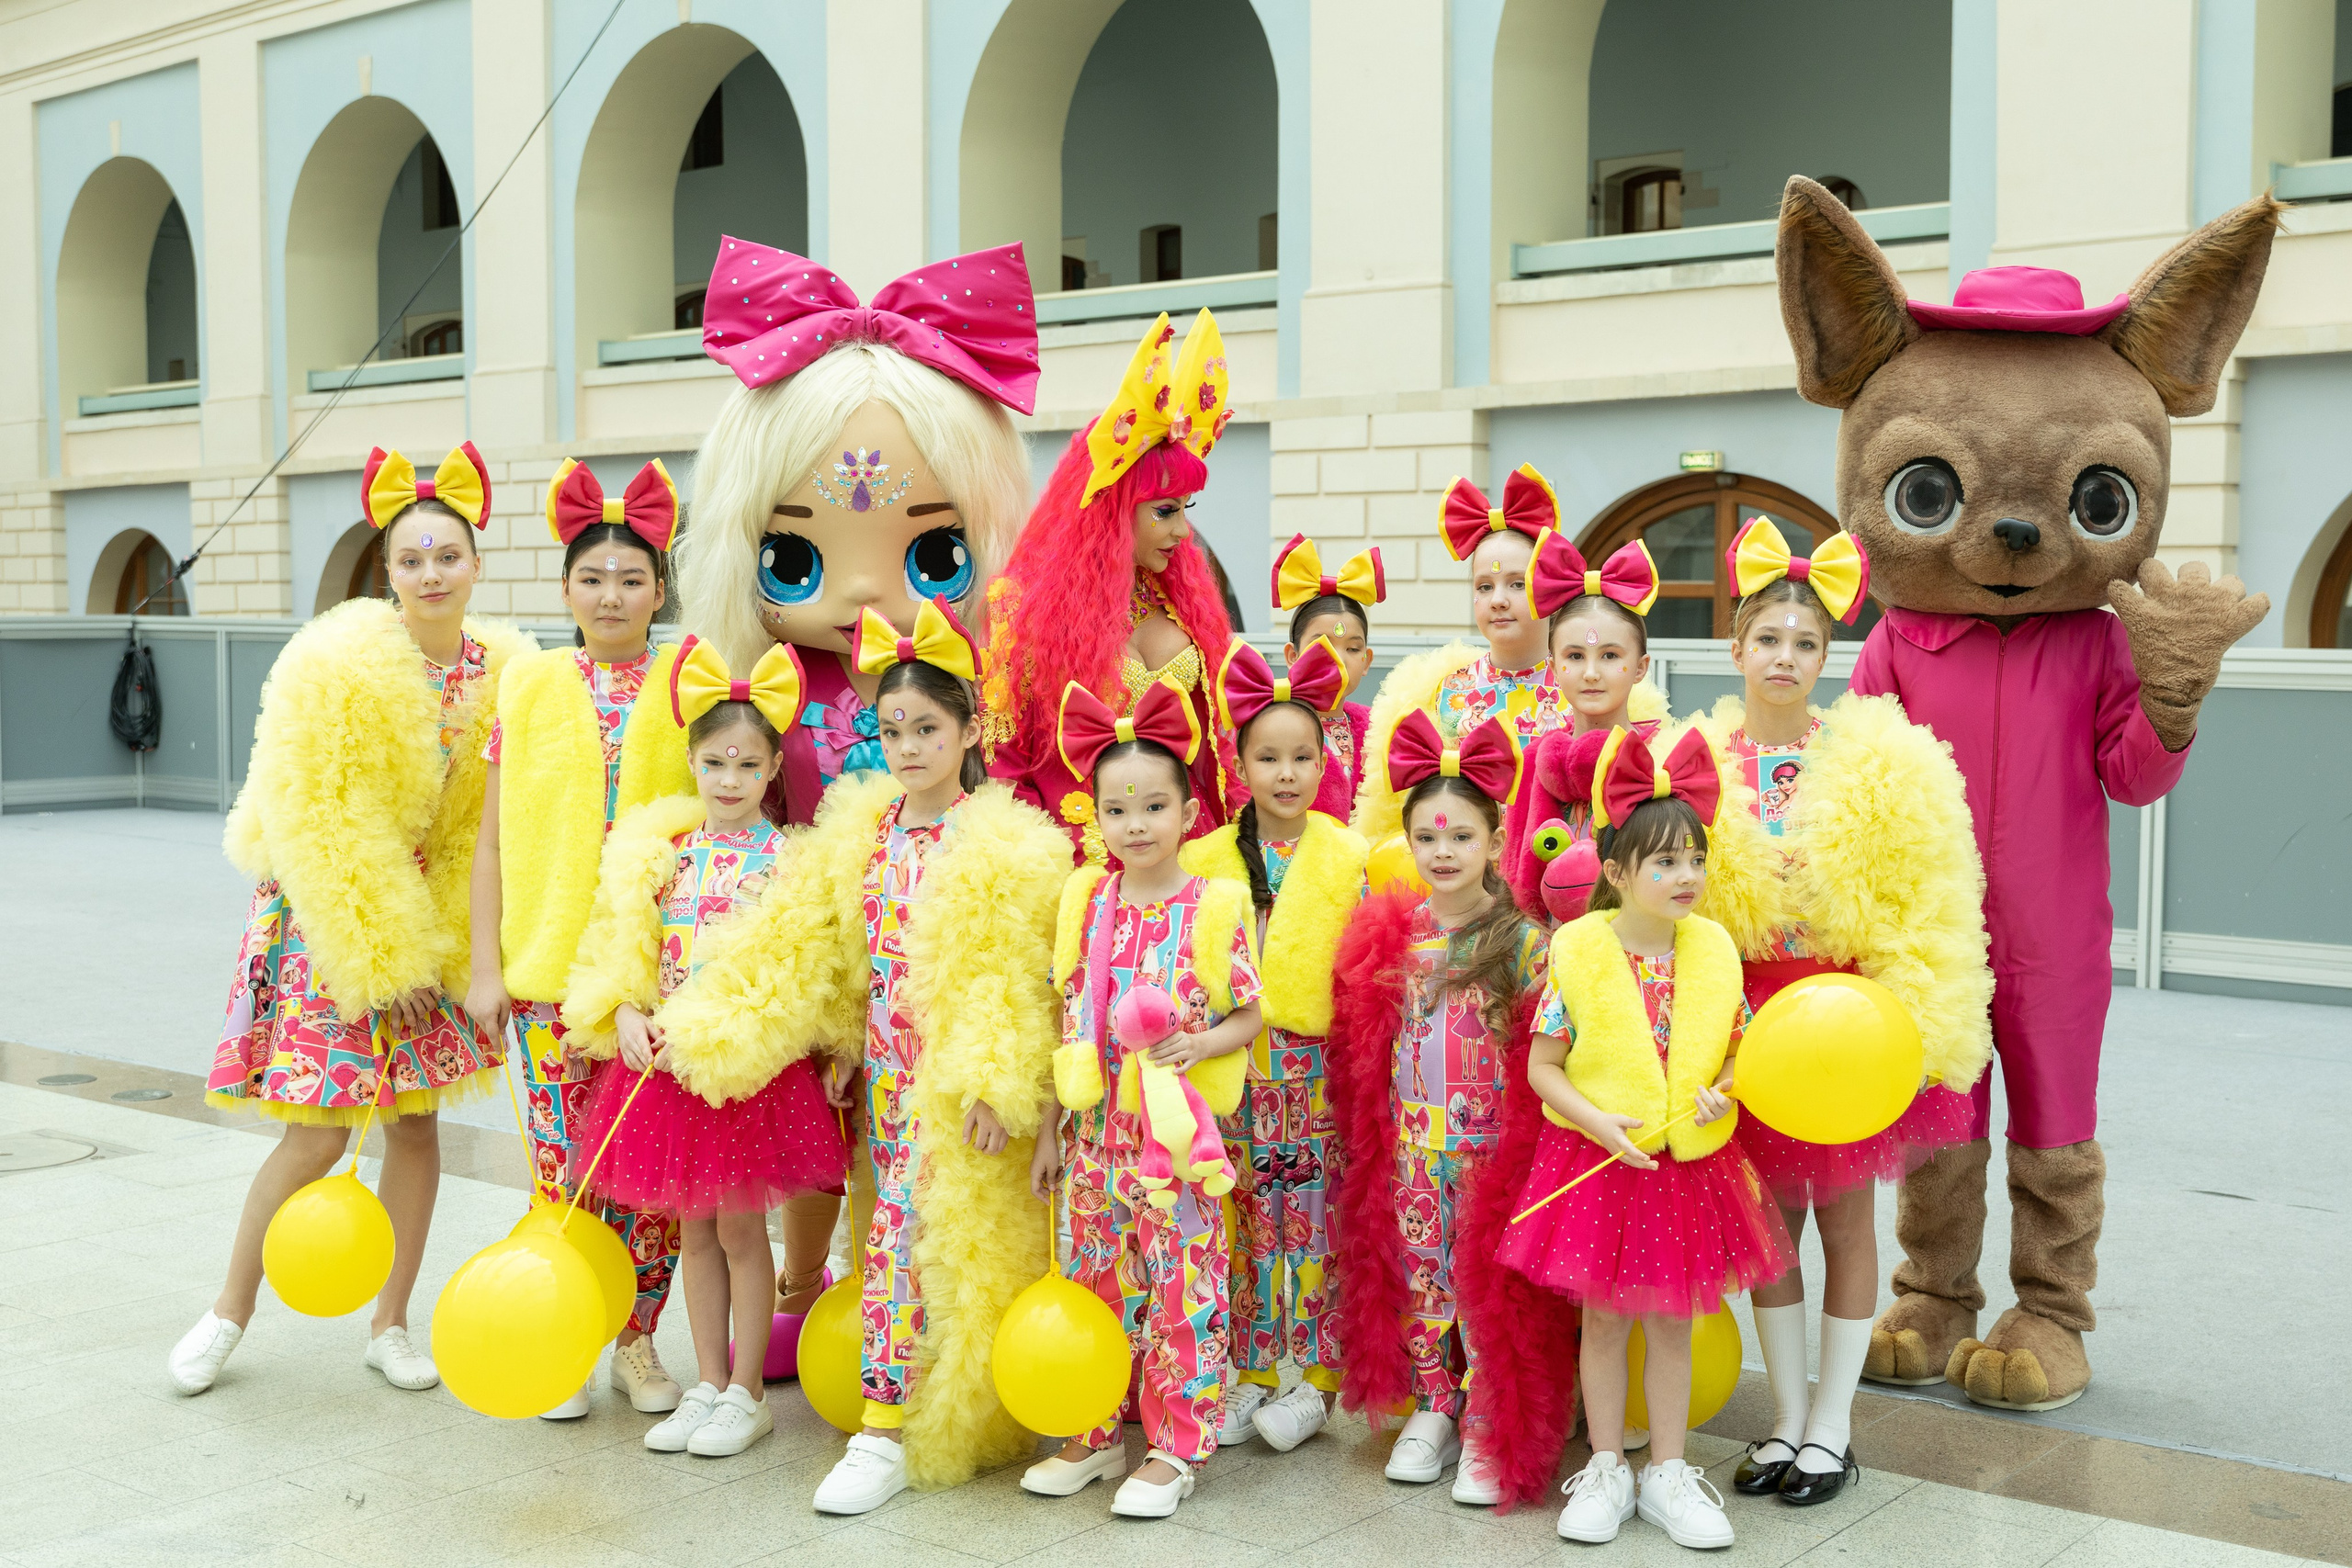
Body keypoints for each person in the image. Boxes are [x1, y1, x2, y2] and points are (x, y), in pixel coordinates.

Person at [670, 235, 1039, 1327]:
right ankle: (798, 1283)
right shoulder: (759, 684)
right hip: (797, 936)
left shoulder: (960, 686)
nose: (867, 589)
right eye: (796, 559)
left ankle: (901, 1300)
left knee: (904, 1132)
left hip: (919, 944)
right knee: (806, 1133)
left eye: (933, 559)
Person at [175, 444, 534, 1396]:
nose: (430, 574)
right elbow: (320, 818)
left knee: (415, 1130)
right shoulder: (332, 659)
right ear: (387, 572)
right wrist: (383, 957)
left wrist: (457, 947)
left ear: (476, 563)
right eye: (411, 559)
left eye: (447, 556)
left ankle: (390, 1323)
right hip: (336, 920)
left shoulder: (508, 670)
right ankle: (227, 1312)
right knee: (318, 1135)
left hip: (435, 914)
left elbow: (495, 824)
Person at [1679, 517, 1991, 1505]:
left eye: (1804, 643)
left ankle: (1833, 1426)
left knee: (1848, 1219)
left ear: (1829, 657)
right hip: (1741, 1021)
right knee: (1767, 1227)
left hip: (1844, 1022)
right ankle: (1781, 1419)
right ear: (1735, 648)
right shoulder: (1693, 759)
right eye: (1767, 638)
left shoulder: (1869, 761)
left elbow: (1920, 895)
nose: (1784, 657)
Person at [1496, 728, 1793, 1549]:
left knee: (1670, 1321)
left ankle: (1667, 1470)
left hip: (1683, 1168)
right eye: (1663, 863)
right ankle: (1604, 1465)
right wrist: (1595, 1121)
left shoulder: (1715, 951)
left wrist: (1724, 1087)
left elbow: (1748, 1051)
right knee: (1602, 1321)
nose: (1685, 877)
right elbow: (1544, 1065)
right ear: (1618, 872)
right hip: (1598, 1158)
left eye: (1693, 860)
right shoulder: (1581, 951)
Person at [560, 637, 848, 1458]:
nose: (729, 778)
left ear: (769, 773)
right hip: (668, 1069)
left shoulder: (788, 861)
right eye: (716, 760)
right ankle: (708, 1379)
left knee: (740, 1231)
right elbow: (627, 947)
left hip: (747, 1074)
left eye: (747, 764)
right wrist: (622, 1009)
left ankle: (749, 1391)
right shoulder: (667, 855)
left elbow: (805, 972)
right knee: (692, 1231)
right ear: (692, 761)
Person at [462, 458, 692, 1420]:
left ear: (659, 589)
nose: (611, 594)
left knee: (649, 1177)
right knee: (562, 1171)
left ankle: (635, 1343)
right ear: (565, 588)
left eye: (631, 579)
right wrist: (484, 966)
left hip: (650, 976)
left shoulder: (688, 685)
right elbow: (490, 836)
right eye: (593, 578)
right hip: (548, 974)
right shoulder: (527, 685)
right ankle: (559, 1328)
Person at [1021, 678, 1264, 1519]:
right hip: (1095, 1137)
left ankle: (1177, 1443)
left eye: (1154, 806)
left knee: (1180, 1287)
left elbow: (1252, 1008)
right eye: (1118, 809)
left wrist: (1201, 1043)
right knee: (1096, 1282)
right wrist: (1053, 1129)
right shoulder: (1089, 903)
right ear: (1096, 818)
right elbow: (1069, 1021)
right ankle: (1093, 1429)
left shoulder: (1212, 904)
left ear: (1188, 813)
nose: (1136, 824)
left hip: (1177, 1144)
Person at [1325, 712, 1559, 1500]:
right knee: (1425, 1278)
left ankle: (1493, 1413)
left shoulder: (1526, 943)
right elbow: (1367, 1045)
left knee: (1488, 1283)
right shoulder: (1394, 934)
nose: (1443, 852)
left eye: (1461, 836)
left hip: (1495, 1154)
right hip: (1414, 1148)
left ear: (1495, 842)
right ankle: (1435, 1403)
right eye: (1427, 838)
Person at [1182, 636, 1368, 1451]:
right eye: (1269, 757)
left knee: (1314, 1216)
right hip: (1234, 1070)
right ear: (1240, 763)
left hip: (1316, 1071)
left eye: (1302, 756)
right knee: (1248, 1215)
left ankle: (1315, 1378)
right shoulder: (1207, 857)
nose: (1287, 773)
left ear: (1328, 760)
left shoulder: (1348, 855)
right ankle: (1251, 1369)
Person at [984, 310, 1241, 858]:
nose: (1180, 530)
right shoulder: (1025, 612)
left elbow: (1220, 745)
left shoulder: (1183, 601)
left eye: (1185, 510)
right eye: (1165, 511)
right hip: (1082, 867)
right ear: (1116, 510)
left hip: (1191, 859)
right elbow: (1005, 763)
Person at [1351, 464, 1563, 845]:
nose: (1498, 600)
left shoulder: (1579, 689)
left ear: (1549, 587)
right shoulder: (1446, 691)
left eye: (1517, 583)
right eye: (1485, 586)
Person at [1501, 525, 1669, 917]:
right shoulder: (1533, 762)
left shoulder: (1662, 757)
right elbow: (1514, 871)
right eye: (1575, 656)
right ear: (1554, 666)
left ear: (1641, 667)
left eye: (1610, 656)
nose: (1591, 673)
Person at [1270, 533, 1383, 813]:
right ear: (1292, 656)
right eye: (1322, 645)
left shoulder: (1378, 731)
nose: (1337, 659)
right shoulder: (1269, 724)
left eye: (1353, 649)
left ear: (1367, 661)